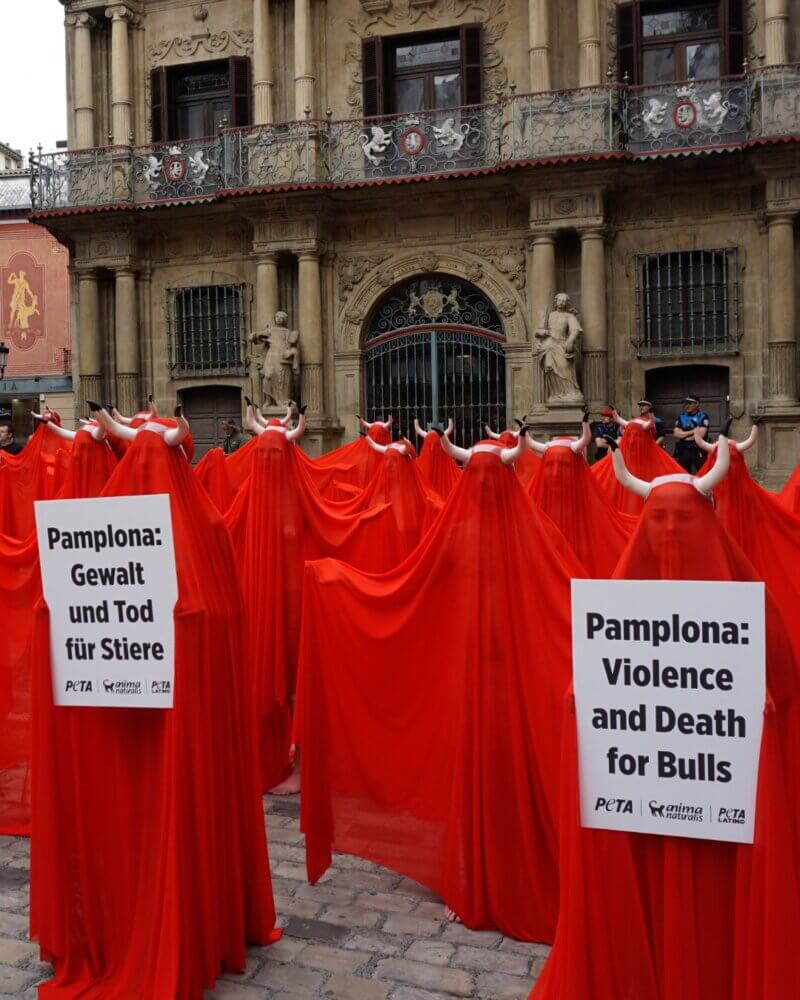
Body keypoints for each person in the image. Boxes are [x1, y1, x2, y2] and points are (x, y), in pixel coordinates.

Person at [673, 394, 710, 473]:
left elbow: (702, 434)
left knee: (703, 473)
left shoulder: (703, 416)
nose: (687, 406)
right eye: (686, 403)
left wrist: (683, 434)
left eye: (689, 403)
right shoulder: (681, 417)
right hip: (684, 450)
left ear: (697, 404)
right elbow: (676, 434)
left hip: (698, 449)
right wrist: (694, 431)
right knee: (683, 474)